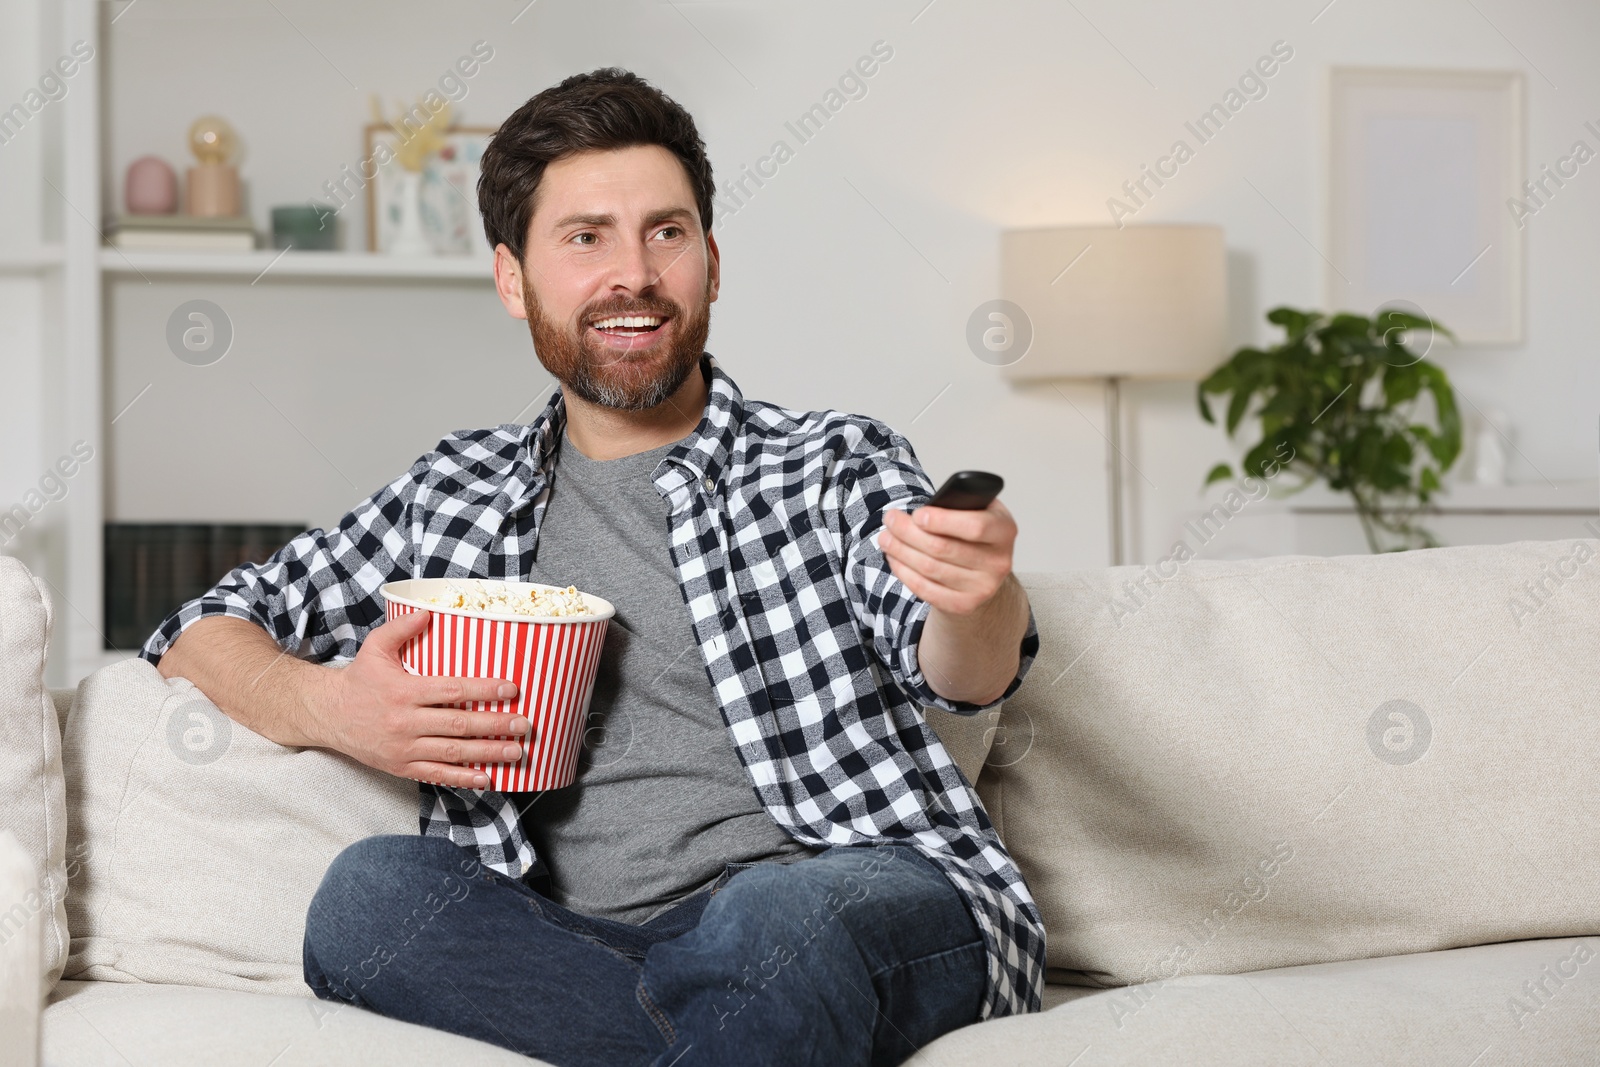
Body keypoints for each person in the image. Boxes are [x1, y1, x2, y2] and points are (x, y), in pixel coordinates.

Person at [142, 68, 1044, 1067]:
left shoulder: (831, 459)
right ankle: (720, 1029)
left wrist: (979, 594)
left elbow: (962, 669)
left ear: (710, 259)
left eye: (667, 232)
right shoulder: (453, 490)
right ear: (511, 276)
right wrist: (332, 706)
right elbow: (199, 626)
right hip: (579, 937)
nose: (635, 273)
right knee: (367, 898)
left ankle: (736, 1008)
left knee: (766, 922)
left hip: (855, 890)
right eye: (586, 238)